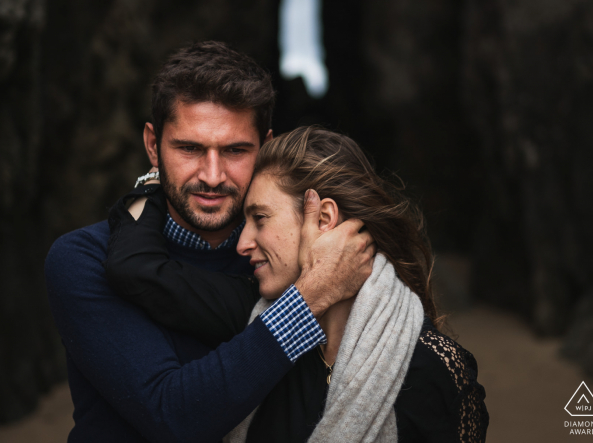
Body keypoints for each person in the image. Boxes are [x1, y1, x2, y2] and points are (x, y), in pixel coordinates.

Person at [44, 42, 376, 442]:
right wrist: (308, 299)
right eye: (190, 148)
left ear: (265, 147)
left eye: (235, 150)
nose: (213, 175)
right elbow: (173, 415)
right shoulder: (83, 259)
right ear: (153, 146)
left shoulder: (292, 255)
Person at [106, 126, 489, 442]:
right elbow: (138, 271)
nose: (242, 244)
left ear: (322, 218)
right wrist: (157, 178)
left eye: (260, 218)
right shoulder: (263, 339)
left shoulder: (434, 369)